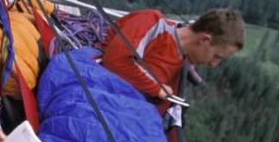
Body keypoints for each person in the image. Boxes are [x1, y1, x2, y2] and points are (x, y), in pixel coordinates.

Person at [101, 7, 245, 102]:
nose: (213, 64)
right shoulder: (151, 22)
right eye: (217, 56)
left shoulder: (184, 60)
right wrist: (157, 88)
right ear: (204, 40)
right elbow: (115, 60)